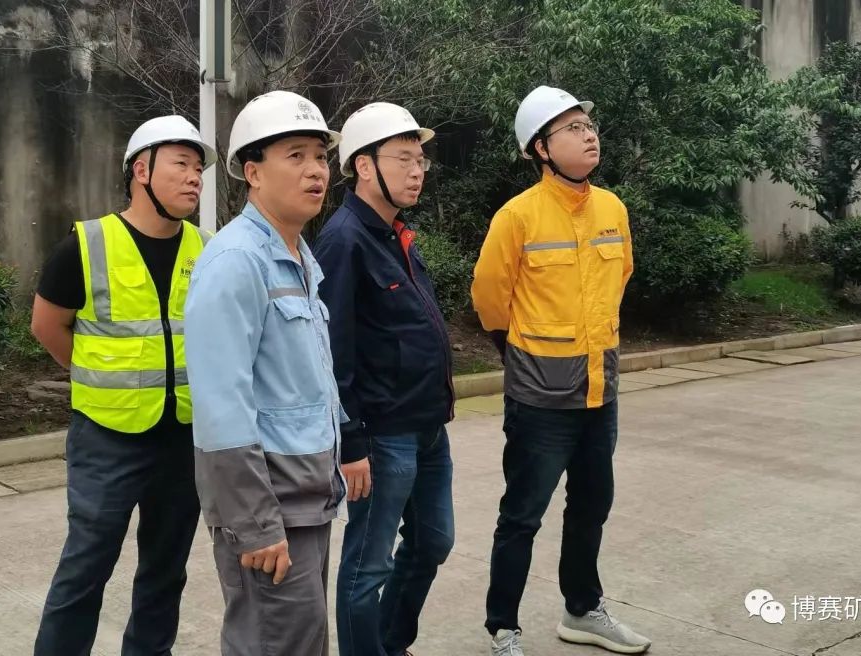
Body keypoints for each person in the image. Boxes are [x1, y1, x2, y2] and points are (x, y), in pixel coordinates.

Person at [472, 86, 650, 655]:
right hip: (540, 400)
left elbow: (620, 278)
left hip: (600, 391)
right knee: (522, 515)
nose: (588, 135)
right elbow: (490, 299)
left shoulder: (612, 209)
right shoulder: (517, 217)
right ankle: (503, 627)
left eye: (588, 125)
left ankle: (582, 610)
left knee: (592, 506)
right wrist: (522, 350)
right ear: (540, 149)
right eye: (572, 128)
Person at [30, 115, 214, 656]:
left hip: (181, 436)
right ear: (142, 170)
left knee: (166, 570)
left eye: (198, 168)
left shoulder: (206, 249)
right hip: (106, 437)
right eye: (181, 164)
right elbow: (47, 326)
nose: (194, 177)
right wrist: (101, 378)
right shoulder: (86, 244)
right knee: (86, 567)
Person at [184, 90, 345, 656]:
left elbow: (305, 383)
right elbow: (221, 408)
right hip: (270, 510)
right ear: (252, 173)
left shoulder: (297, 257)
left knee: (300, 641)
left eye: (320, 156)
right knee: (275, 644)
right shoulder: (236, 262)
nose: (315, 170)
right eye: (295, 155)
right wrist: (255, 523)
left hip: (306, 500)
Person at [312, 102, 455, 656]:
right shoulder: (344, 240)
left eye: (421, 160)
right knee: (367, 567)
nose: (417, 171)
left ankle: (390, 644)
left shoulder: (396, 233)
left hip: (427, 426)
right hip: (382, 433)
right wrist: (351, 442)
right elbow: (332, 352)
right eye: (404, 159)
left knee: (433, 541)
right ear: (364, 166)